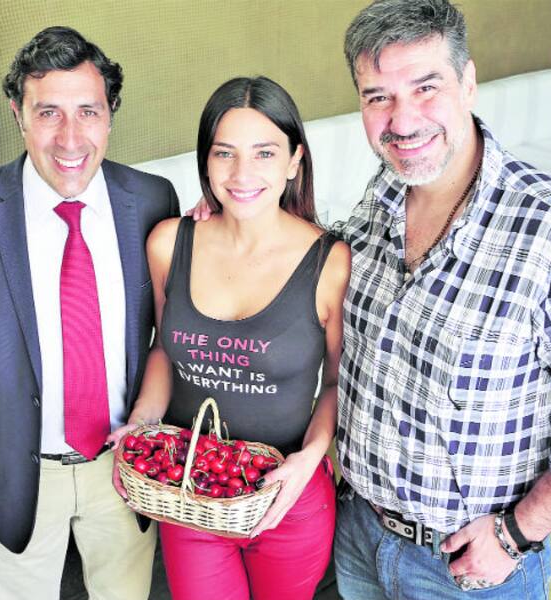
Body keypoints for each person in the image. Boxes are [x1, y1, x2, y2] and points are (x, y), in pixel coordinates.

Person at [329, 0, 551, 598]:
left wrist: (516, 532)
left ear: (467, 83)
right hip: (359, 535)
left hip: (470, 569)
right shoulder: (383, 194)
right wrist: (239, 211)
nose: (402, 120)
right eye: (378, 96)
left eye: (425, 87)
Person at [0, 26, 178, 600]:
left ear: (110, 116)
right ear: (18, 115)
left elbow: (171, 330)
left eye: (88, 112)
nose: (70, 137)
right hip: (15, 470)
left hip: (124, 465)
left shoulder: (153, 200)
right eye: (48, 112)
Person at [110, 76, 350, 600]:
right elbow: (164, 349)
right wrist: (142, 425)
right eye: (225, 153)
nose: (242, 174)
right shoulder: (170, 242)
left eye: (264, 153)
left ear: (294, 161)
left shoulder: (331, 262)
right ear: (206, 161)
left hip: (287, 495)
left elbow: (337, 382)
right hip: (190, 493)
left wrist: (310, 459)